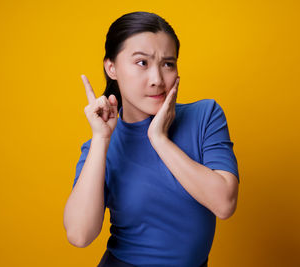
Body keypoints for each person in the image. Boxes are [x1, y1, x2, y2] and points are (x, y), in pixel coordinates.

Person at [63, 11, 240, 267]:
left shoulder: (205, 116)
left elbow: (224, 203)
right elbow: (79, 235)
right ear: (111, 67)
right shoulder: (100, 147)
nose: (158, 80)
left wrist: (159, 139)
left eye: (168, 63)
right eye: (142, 63)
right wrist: (101, 139)